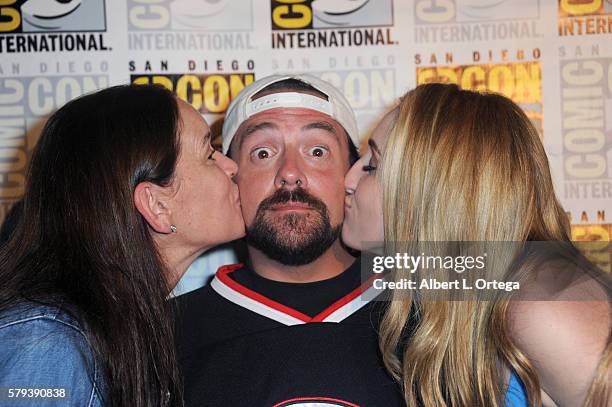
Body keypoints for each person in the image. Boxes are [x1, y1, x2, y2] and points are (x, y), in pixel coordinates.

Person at [342, 83, 612, 407]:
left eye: (372, 165)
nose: (349, 180)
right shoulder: (452, 295)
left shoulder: (540, 304)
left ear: (428, 190)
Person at [0, 84, 245, 407]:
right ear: (157, 206)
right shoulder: (46, 345)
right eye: (209, 154)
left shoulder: (122, 329)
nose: (232, 166)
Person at [174, 74, 405, 406]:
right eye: (263, 153)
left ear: (353, 172)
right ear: (230, 177)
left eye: (316, 151)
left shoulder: (431, 318)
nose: (290, 172)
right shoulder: (164, 336)